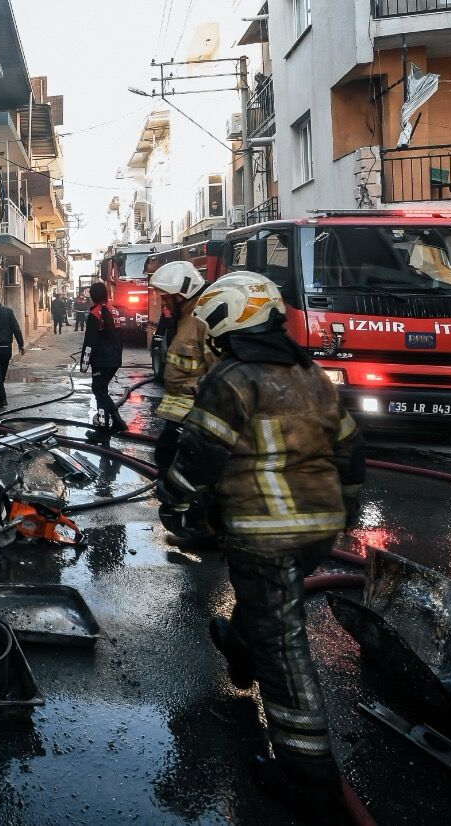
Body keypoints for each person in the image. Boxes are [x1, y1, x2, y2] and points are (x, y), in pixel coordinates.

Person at [156, 272, 363, 824]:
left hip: (264, 531)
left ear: (230, 320)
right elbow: (352, 453)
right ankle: (240, 644)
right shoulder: (313, 375)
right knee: (266, 608)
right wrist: (347, 512)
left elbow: (199, 454)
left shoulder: (232, 378)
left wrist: (176, 506)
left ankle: (310, 781)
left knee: (285, 654)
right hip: (319, 530)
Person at [148, 260, 210, 472]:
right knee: (165, 460)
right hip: (179, 419)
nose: (163, 303)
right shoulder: (182, 319)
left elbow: (221, 375)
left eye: (166, 297)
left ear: (181, 294)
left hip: (196, 421)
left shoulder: (203, 321)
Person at [80, 282, 128, 433]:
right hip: (114, 360)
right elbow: (120, 338)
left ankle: (103, 427)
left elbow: (89, 342)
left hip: (101, 361)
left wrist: (84, 364)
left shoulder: (95, 314)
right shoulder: (114, 311)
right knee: (102, 392)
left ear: (93, 296)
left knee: (99, 393)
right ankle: (117, 423)